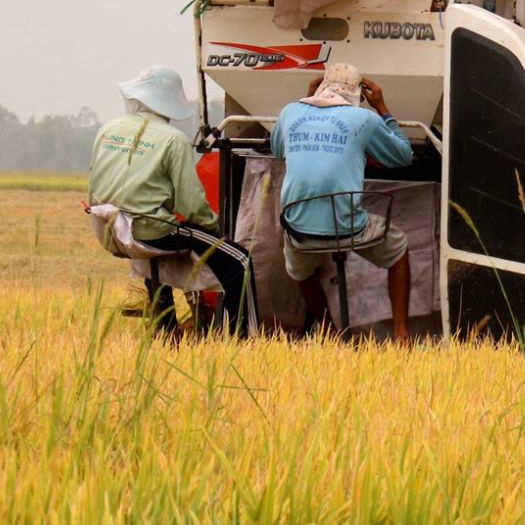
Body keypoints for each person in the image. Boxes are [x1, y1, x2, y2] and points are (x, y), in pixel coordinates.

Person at [87, 66, 251, 337]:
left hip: (107, 227)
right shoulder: (173, 139)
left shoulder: (109, 128)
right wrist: (215, 228)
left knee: (156, 249)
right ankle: (240, 339)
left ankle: (165, 330)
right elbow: (190, 204)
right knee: (239, 260)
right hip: (149, 230)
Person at [271, 63, 416, 344]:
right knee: (398, 247)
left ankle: (330, 333)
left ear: (321, 87)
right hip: (348, 228)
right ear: (359, 95)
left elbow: (278, 150)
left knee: (299, 269)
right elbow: (403, 156)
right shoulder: (363, 119)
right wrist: (383, 110)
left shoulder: (290, 112)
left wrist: (306, 97)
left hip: (298, 228)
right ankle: (401, 334)